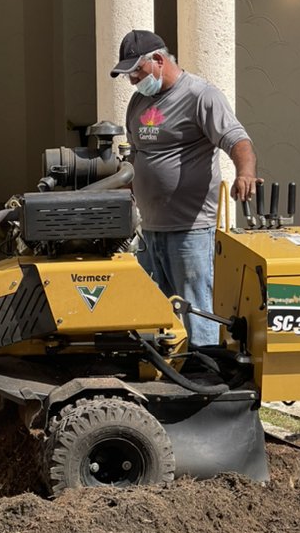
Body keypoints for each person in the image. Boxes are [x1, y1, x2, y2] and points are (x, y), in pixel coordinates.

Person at [110, 29, 261, 347]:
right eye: (129, 75)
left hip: (190, 231)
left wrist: (245, 173)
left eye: (137, 71)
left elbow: (237, 140)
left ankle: (204, 372)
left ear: (159, 60)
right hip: (149, 231)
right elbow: (136, 156)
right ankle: (166, 375)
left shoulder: (200, 95)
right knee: (150, 310)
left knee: (196, 310)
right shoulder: (138, 102)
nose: (133, 80)